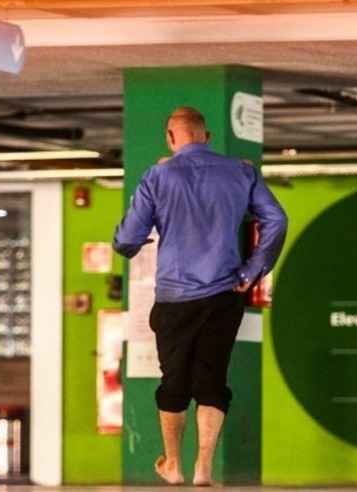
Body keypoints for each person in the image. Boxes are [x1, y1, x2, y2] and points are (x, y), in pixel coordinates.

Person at [113, 106, 287, 486]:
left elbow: (126, 240)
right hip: (225, 293)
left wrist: (136, 239)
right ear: (206, 137)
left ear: (170, 139)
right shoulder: (241, 172)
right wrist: (252, 269)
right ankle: (204, 467)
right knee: (212, 379)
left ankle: (173, 464)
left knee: (173, 381)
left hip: (175, 298)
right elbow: (277, 219)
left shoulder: (157, 176)